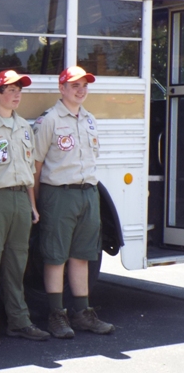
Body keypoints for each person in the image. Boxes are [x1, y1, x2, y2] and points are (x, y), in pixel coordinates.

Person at [0, 70, 50, 346]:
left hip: (20, 200)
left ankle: (19, 321)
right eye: (11, 90)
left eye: (19, 90)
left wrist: (32, 206)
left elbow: (29, 170)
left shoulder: (24, 126)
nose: (17, 95)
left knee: (17, 265)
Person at [33, 66, 114, 337]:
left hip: (87, 193)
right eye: (75, 85)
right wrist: (36, 202)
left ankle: (82, 314)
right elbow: (36, 165)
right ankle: (57, 316)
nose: (81, 90)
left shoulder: (89, 119)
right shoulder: (49, 120)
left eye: (84, 85)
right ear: (62, 88)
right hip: (59, 194)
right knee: (56, 256)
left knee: (82, 255)